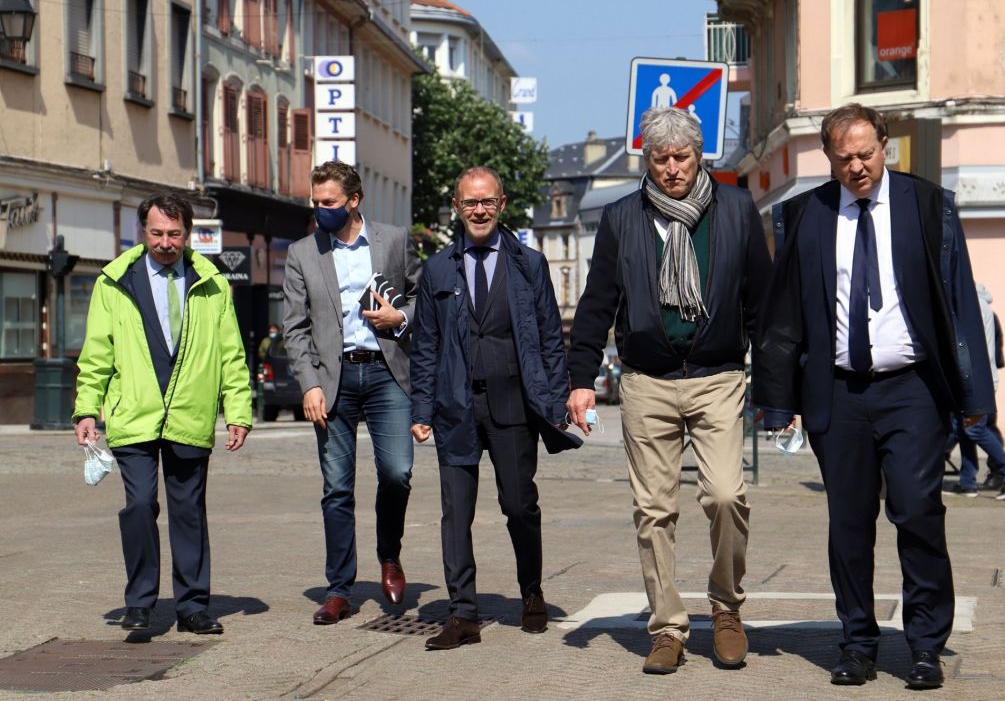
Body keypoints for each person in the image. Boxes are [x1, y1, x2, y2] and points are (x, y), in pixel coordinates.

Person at [753, 103, 996, 689]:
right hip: (839, 395)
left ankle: (924, 646)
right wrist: (779, 403)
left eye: (866, 153)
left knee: (917, 512)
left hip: (912, 389)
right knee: (849, 524)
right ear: (828, 158)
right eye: (844, 158)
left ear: (884, 145)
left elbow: (959, 304)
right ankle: (858, 642)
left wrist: (974, 395)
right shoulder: (804, 217)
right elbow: (782, 317)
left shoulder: (927, 207)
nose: (858, 166)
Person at [565, 107, 772, 674]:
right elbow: (597, 302)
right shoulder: (622, 217)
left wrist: (778, 388)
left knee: (726, 495)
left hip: (718, 376)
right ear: (647, 161)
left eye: (681, 157)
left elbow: (762, 303)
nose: (672, 168)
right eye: (661, 159)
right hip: (647, 380)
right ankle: (668, 628)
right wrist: (581, 378)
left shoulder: (734, 210)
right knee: (654, 510)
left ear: (698, 155)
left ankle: (726, 610)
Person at [410, 166, 581, 650]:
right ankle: (462, 613)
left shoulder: (529, 264)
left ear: (502, 204)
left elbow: (550, 338)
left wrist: (554, 400)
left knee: (519, 505)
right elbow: (425, 343)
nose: (479, 210)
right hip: (455, 407)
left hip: (513, 405)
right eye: (469, 203)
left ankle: (531, 593)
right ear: (456, 209)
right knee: (455, 512)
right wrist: (421, 409)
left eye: (487, 202)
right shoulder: (438, 268)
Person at [72, 192, 252, 635]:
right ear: (142, 232)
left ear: (187, 234)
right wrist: (86, 408)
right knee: (138, 505)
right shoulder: (115, 283)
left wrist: (239, 411)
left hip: (189, 413)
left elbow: (231, 353)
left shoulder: (211, 283)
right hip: (133, 413)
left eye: (174, 234)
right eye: (157, 233)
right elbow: (97, 351)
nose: (166, 242)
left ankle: (192, 607)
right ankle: (140, 601)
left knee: (188, 511)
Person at [283, 160, 420, 624]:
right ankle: (339, 588)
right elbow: (294, 328)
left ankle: (389, 554)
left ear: (354, 201)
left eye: (329, 203)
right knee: (337, 488)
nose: (320, 210)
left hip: (387, 374)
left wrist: (401, 318)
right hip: (333, 379)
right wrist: (310, 384)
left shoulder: (394, 240)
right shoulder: (303, 253)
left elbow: (424, 297)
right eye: (316, 202)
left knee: (397, 472)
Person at [943, 283, 1005, 499]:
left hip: (975, 379)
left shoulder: (971, 307)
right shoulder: (984, 308)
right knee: (964, 428)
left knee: (974, 429)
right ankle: (968, 482)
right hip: (977, 377)